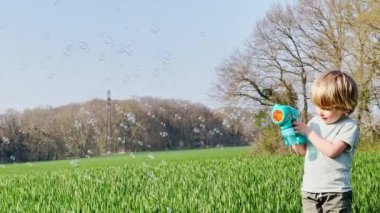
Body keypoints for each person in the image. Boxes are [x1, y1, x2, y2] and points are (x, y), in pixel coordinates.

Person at [292, 70, 359, 212]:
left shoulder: (348, 126)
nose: (320, 112)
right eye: (317, 105)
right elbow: (303, 151)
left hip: (336, 192)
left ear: (345, 107)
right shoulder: (314, 122)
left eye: (326, 108)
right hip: (309, 190)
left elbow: (332, 151)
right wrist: (291, 136)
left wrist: (308, 132)